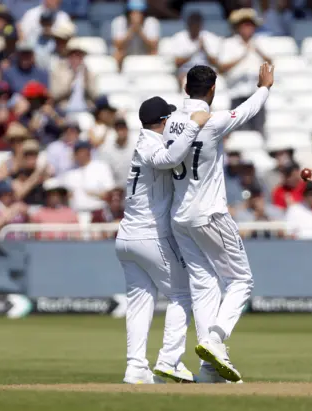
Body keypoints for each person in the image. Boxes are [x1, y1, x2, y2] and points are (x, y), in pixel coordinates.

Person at [162, 63, 273, 383]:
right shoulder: (210, 122)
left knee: (205, 284)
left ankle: (209, 369)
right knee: (241, 280)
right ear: (211, 90)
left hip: (179, 216)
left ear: (186, 89)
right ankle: (214, 340)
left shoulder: (170, 124)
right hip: (209, 214)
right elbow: (246, 111)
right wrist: (265, 87)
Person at [116, 96, 211, 384]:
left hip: (128, 237)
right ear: (162, 121)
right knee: (184, 293)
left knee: (140, 301)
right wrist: (193, 126)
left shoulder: (146, 141)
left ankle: (135, 368)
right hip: (149, 235)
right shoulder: (150, 144)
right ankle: (170, 360)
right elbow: (168, 159)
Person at [216, 8, 271, 134]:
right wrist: (242, 55)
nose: (249, 28)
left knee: (258, 129)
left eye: (251, 25)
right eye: (245, 25)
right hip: (237, 92)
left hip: (256, 94)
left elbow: (271, 63)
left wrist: (258, 51)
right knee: (238, 131)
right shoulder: (228, 43)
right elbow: (222, 67)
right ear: (238, 27)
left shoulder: (259, 42)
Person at [170, 12, 218, 82]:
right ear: (188, 25)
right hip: (186, 71)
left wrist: (205, 50)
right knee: (183, 78)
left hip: (206, 70)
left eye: (197, 25)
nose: (195, 28)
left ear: (201, 25)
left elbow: (215, 63)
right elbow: (177, 63)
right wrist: (195, 50)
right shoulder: (179, 37)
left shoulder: (210, 37)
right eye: (192, 25)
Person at [111, 0, 160, 68]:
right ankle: (118, 75)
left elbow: (154, 46)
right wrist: (131, 30)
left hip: (145, 52)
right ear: (128, 13)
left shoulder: (151, 21)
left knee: (154, 53)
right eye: (133, 12)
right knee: (118, 54)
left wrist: (140, 30)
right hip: (126, 53)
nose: (136, 15)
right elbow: (118, 46)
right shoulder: (119, 21)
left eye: (140, 12)